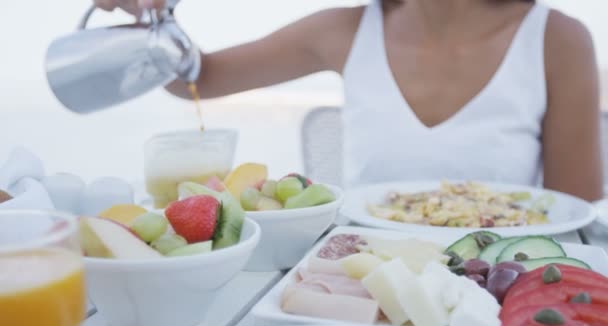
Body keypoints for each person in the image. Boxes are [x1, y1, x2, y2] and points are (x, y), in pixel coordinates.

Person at [95, 0, 604, 201]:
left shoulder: (557, 38)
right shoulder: (344, 28)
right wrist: (148, 20)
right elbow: (197, 81)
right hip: (362, 279)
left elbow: (573, 210)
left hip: (499, 285)